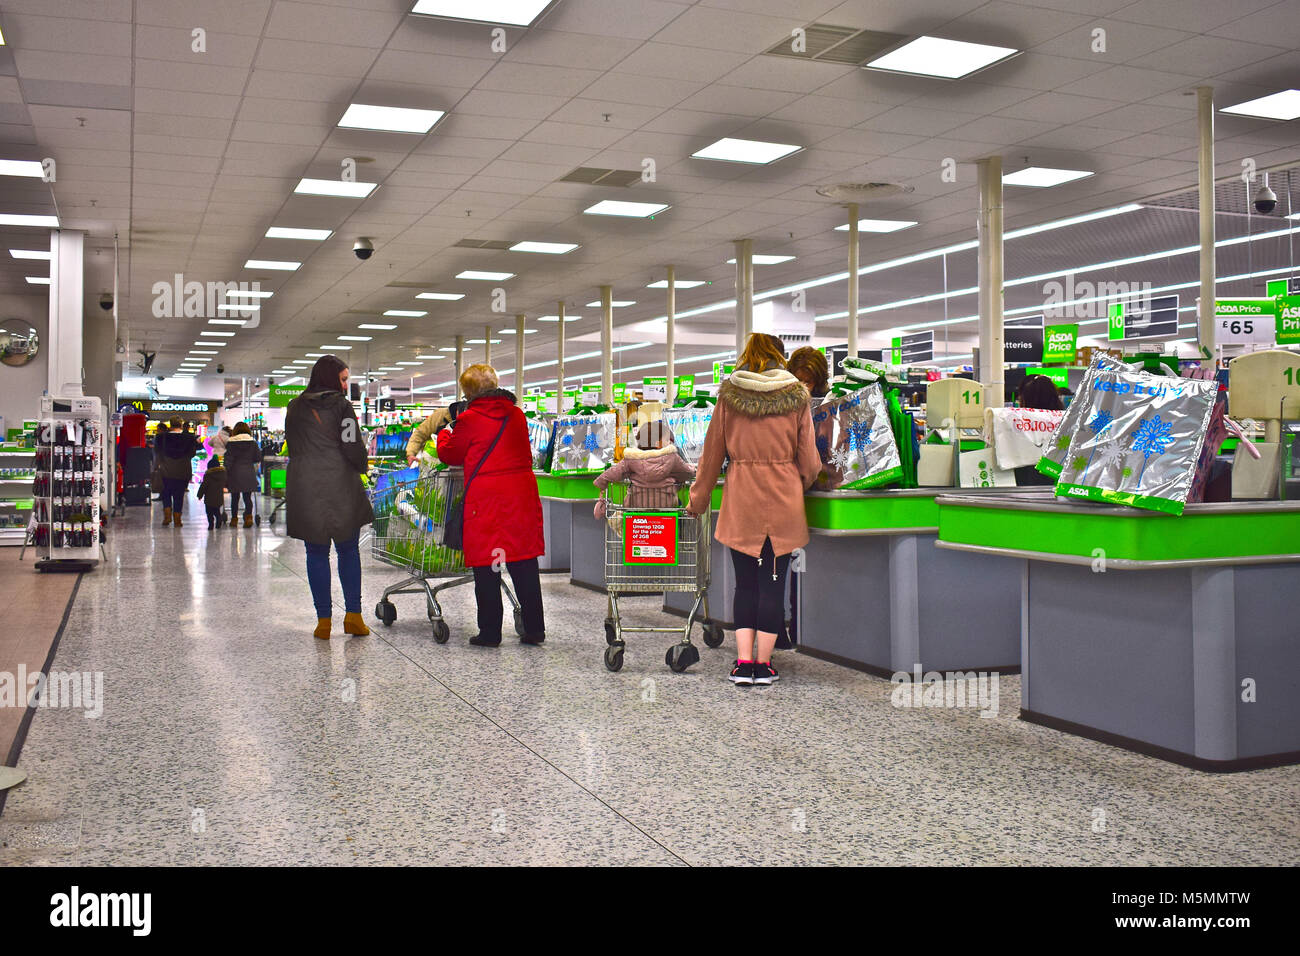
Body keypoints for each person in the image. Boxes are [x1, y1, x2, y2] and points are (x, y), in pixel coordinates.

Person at [688, 333, 821, 687]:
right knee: (773, 585)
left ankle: (742, 663)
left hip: (741, 498)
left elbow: (712, 455)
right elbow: (809, 460)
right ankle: (765, 665)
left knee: (745, 585)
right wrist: (798, 483)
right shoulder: (796, 397)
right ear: (780, 356)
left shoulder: (729, 397)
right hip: (783, 499)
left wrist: (698, 500)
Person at [436, 364, 547, 647]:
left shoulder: (470, 419)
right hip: (521, 494)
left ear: (469, 392)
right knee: (523, 561)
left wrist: (445, 431)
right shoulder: (517, 415)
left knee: (488, 565)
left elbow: (450, 454)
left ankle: (490, 633)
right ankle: (534, 629)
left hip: (486, 498)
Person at [285, 355, 374, 641]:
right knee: (348, 550)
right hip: (340, 485)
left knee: (315, 552)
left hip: (304, 484)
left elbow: (293, 444)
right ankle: (354, 617)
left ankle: (323, 622)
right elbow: (351, 443)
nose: (346, 385)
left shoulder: (294, 407)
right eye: (344, 379)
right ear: (332, 378)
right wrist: (362, 465)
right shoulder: (342, 406)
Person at [780, 346, 831, 648]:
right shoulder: (783, 405)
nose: (803, 387)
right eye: (798, 380)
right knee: (785, 565)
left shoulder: (830, 406)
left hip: (815, 490)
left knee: (802, 568)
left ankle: (802, 628)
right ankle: (786, 627)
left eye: (808, 382)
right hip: (792, 492)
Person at [592, 420, 696, 519]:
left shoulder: (631, 458)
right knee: (680, 509)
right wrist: (691, 470)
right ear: (657, 444)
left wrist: (601, 482)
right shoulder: (672, 457)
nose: (669, 442)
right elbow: (686, 473)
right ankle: (676, 534)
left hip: (637, 505)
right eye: (666, 440)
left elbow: (614, 472)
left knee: (630, 514)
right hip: (666, 505)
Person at [1014, 374, 1065, 487]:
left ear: (1025, 397)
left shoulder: (1016, 424)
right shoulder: (1067, 421)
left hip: (1025, 487)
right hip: (1059, 483)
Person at [154, 416, 201, 527]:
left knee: (166, 492)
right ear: (181, 425)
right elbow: (192, 453)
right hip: (183, 469)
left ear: (170, 424)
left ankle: (167, 516)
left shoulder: (161, 437)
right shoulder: (189, 438)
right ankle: (177, 519)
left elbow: (157, 452)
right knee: (179, 494)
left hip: (166, 468)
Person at [223, 421, 263, 527]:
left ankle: (234, 519)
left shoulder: (231, 443)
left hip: (234, 473)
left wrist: (225, 471)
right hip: (248, 473)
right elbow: (258, 458)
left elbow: (228, 460)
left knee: (235, 498)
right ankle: (248, 518)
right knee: (247, 498)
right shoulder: (253, 443)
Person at [195, 456, 227, 529]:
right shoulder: (222, 475)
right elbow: (226, 483)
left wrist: (199, 495)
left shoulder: (208, 475)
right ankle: (219, 520)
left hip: (209, 499)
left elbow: (203, 486)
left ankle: (211, 524)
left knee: (209, 513)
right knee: (217, 511)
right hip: (219, 498)